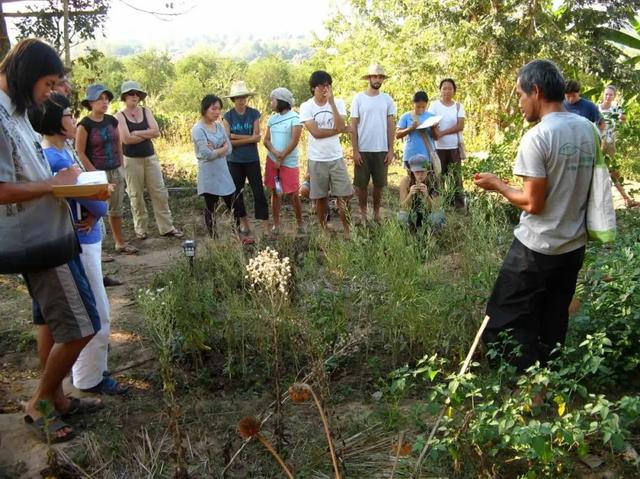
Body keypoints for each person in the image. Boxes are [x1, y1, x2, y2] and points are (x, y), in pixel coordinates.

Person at [0, 39, 105, 443]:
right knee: (81, 325)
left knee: (49, 319)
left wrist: (70, 188)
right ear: (27, 73)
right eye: (47, 83)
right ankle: (40, 403)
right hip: (35, 238)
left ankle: (58, 399)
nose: (50, 93)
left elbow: (34, 169)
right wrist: (53, 186)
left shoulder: (18, 112)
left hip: (52, 228)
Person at [475, 60, 596, 371]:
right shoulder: (588, 129)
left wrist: (497, 184)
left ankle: (526, 388)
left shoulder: (538, 137)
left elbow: (533, 203)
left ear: (537, 92)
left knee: (503, 319)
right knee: (553, 316)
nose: (519, 103)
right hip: (573, 247)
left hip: (537, 248)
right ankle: (550, 377)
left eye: (519, 95)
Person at [39, 93, 127, 395]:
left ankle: (86, 373)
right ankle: (90, 377)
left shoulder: (60, 154)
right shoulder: (58, 159)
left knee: (91, 308)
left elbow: (93, 195)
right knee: (97, 310)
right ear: (53, 121)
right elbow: (100, 204)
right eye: (66, 115)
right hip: (81, 242)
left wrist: (95, 194)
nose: (73, 120)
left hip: (84, 237)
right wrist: (98, 195)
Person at [116, 80, 183, 240]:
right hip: (131, 160)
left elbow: (156, 132)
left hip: (150, 157)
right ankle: (141, 229)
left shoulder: (146, 111)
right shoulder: (120, 116)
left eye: (137, 94)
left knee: (159, 192)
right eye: (131, 94)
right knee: (135, 195)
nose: (135, 96)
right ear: (125, 96)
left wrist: (137, 133)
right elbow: (126, 139)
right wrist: (146, 132)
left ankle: (167, 227)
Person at [76, 83, 138, 254]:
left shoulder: (112, 121)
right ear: (90, 102)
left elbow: (118, 144)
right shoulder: (84, 125)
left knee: (115, 209)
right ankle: (98, 248)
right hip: (96, 172)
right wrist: (94, 173)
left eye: (106, 99)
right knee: (96, 210)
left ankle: (120, 243)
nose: (104, 102)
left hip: (115, 169)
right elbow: (80, 152)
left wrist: (121, 165)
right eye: (99, 99)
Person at [299, 70, 354, 239]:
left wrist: (332, 103)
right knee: (321, 198)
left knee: (344, 196)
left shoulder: (338, 102)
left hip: (336, 157)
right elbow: (316, 132)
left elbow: (340, 123)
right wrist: (341, 130)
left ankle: (347, 231)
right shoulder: (306, 106)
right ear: (313, 88)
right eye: (321, 85)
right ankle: (324, 230)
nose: (325, 88)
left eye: (328, 85)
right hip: (317, 159)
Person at [223, 81, 269, 241]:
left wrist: (236, 136)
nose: (241, 100)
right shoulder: (228, 116)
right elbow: (227, 141)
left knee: (258, 192)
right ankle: (245, 224)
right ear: (233, 99)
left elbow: (257, 137)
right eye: (238, 98)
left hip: (251, 159)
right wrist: (248, 138)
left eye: (243, 97)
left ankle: (264, 225)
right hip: (234, 160)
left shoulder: (254, 113)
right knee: (237, 193)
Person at [350, 64, 396, 223]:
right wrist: (355, 150)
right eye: (375, 76)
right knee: (361, 185)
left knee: (379, 184)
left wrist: (391, 149)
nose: (378, 79)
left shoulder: (387, 99)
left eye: (381, 77)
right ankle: (363, 214)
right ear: (369, 78)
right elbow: (353, 124)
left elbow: (391, 125)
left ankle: (376, 213)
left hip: (381, 149)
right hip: (363, 148)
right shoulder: (358, 98)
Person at [193, 94, 238, 240]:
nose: (217, 112)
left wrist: (216, 149)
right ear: (205, 109)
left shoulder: (219, 126)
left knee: (232, 203)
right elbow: (206, 154)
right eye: (214, 108)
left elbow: (229, 148)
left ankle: (235, 234)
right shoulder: (198, 129)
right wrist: (221, 149)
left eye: (219, 109)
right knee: (210, 206)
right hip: (209, 173)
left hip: (223, 171)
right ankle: (214, 238)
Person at [263, 87, 304, 234]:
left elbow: (294, 141)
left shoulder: (295, 119)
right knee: (275, 192)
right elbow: (266, 140)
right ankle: (276, 224)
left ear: (281, 101)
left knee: (293, 193)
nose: (271, 103)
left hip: (289, 163)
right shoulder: (272, 119)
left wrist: (282, 156)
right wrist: (275, 153)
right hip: (273, 162)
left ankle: (300, 224)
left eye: (273, 100)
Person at [598, 84, 637, 208]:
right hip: (596, 143)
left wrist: (622, 118)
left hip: (609, 144)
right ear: (603, 94)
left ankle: (626, 198)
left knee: (613, 171)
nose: (608, 96)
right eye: (607, 94)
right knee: (594, 171)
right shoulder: (596, 108)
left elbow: (623, 120)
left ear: (614, 96)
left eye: (611, 94)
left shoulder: (616, 109)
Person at [430, 78, 466, 209]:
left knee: (456, 177)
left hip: (454, 147)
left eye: (449, 88)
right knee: (438, 176)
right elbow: (430, 123)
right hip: (438, 148)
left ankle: (459, 206)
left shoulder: (458, 106)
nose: (447, 91)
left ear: (454, 91)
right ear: (440, 90)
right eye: (444, 88)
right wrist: (435, 131)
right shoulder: (434, 106)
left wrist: (442, 133)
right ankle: (439, 205)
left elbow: (460, 125)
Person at [398, 154, 444, 234]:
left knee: (436, 217)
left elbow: (436, 208)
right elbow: (403, 207)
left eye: (423, 171)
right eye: (417, 172)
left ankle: (433, 240)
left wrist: (427, 196)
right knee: (402, 217)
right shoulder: (405, 182)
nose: (420, 175)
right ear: (411, 172)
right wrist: (410, 195)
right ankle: (409, 239)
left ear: (427, 170)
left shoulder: (435, 181)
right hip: (413, 212)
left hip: (429, 213)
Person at [396, 91, 437, 170]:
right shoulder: (406, 116)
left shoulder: (432, 117)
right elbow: (397, 134)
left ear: (427, 105)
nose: (421, 109)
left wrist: (433, 128)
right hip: (411, 154)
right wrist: (410, 128)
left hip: (427, 154)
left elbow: (436, 137)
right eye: (418, 107)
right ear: (413, 103)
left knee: (427, 180)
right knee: (411, 180)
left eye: (423, 107)